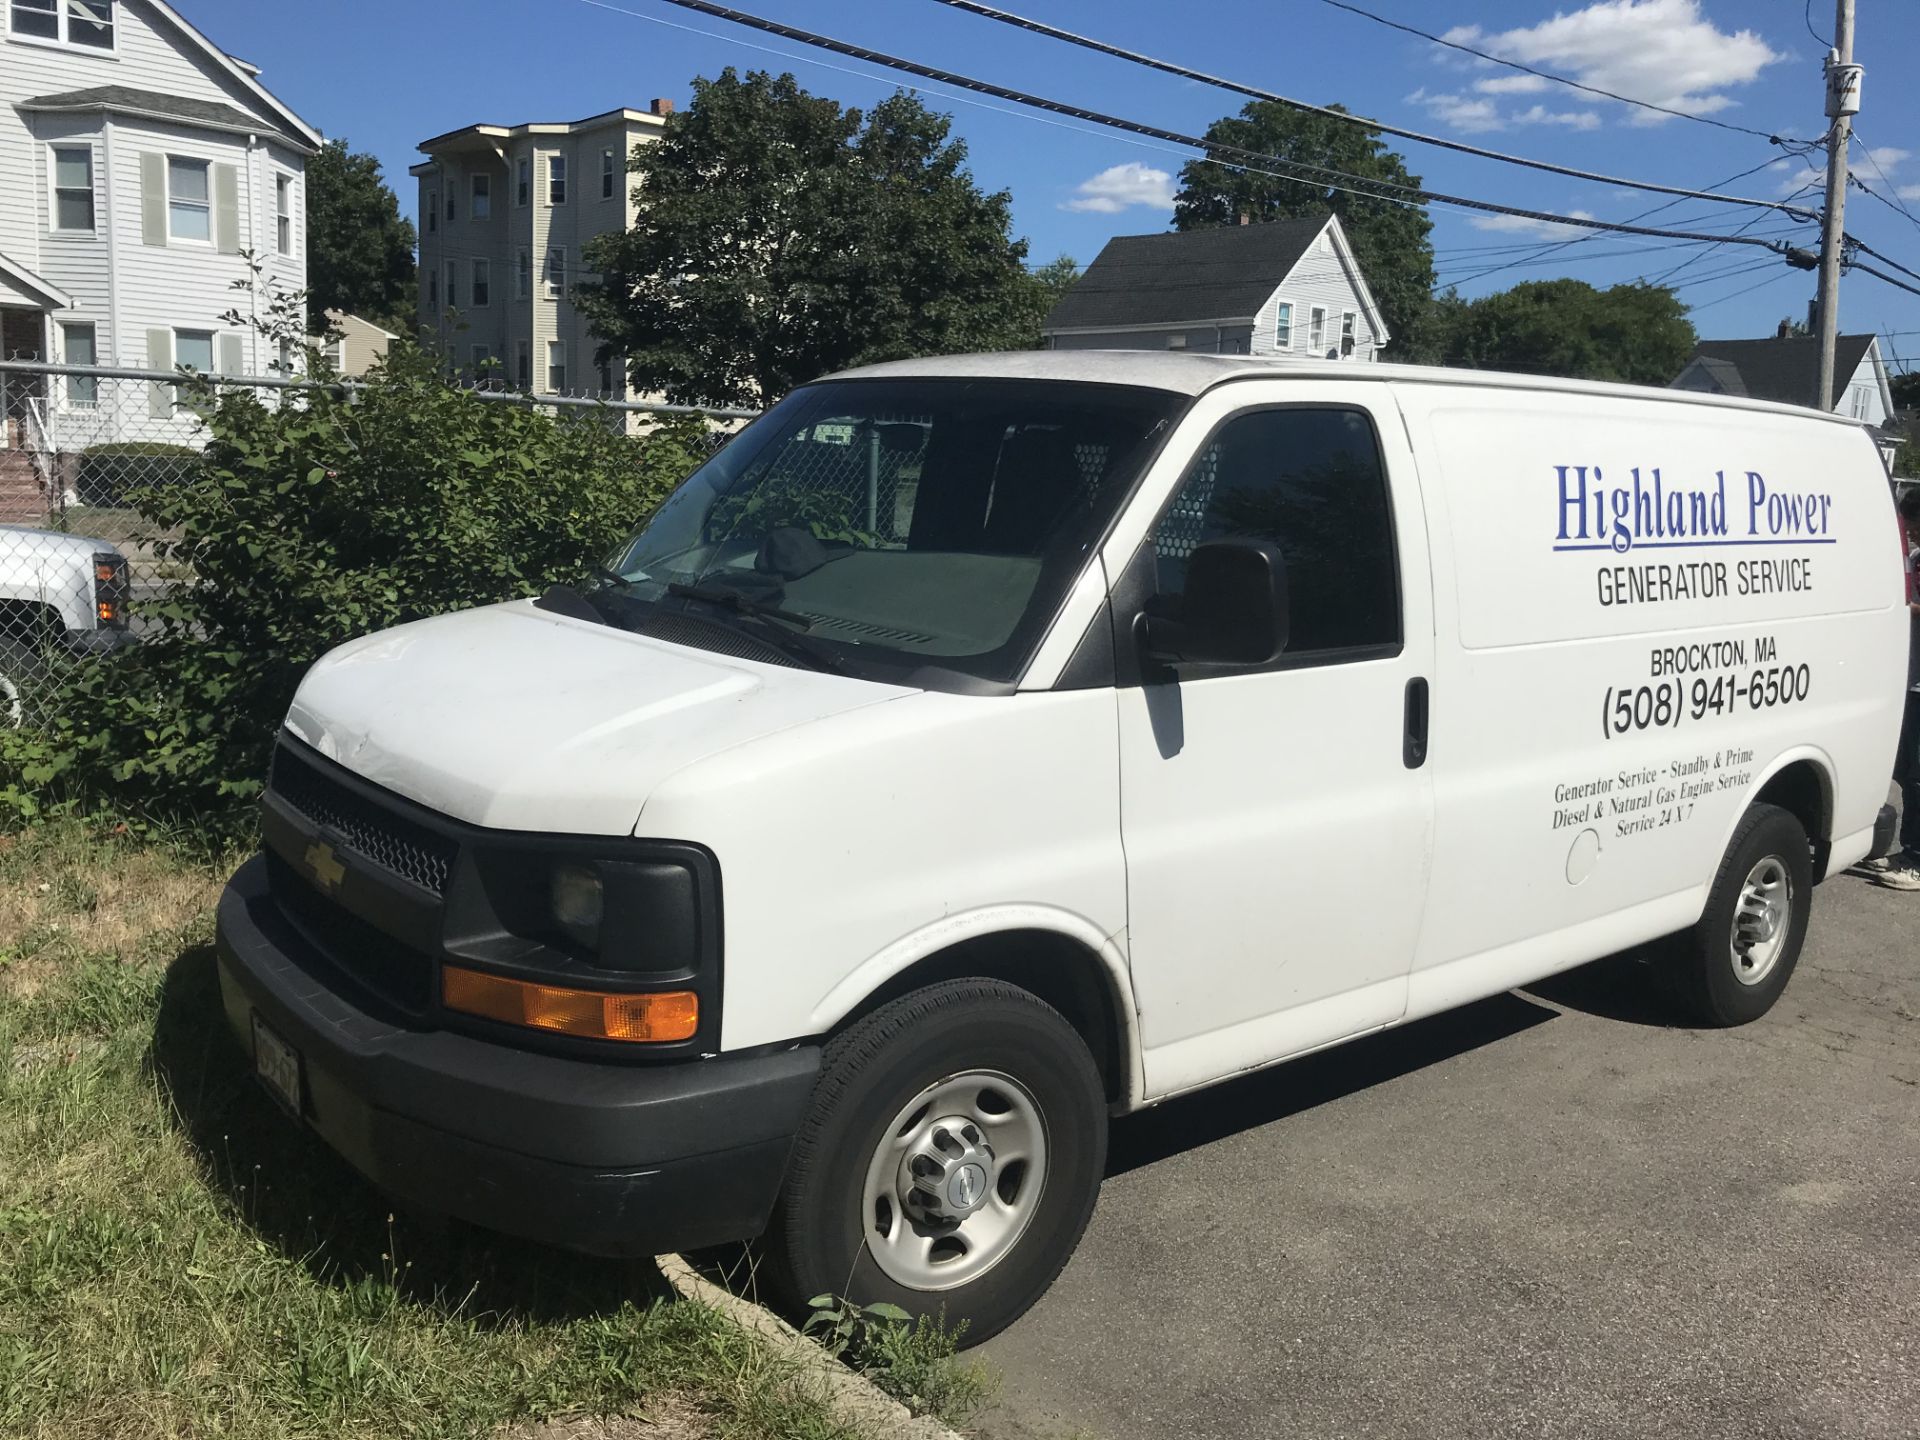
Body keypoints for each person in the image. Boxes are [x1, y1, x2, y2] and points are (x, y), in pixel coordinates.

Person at [1871, 484, 1920, 887]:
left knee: (1919, 772)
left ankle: (1916, 858)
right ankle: (1906, 848)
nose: (1911, 532)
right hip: (1909, 679)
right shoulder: (1915, 557)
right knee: (1903, 770)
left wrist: (1905, 607)